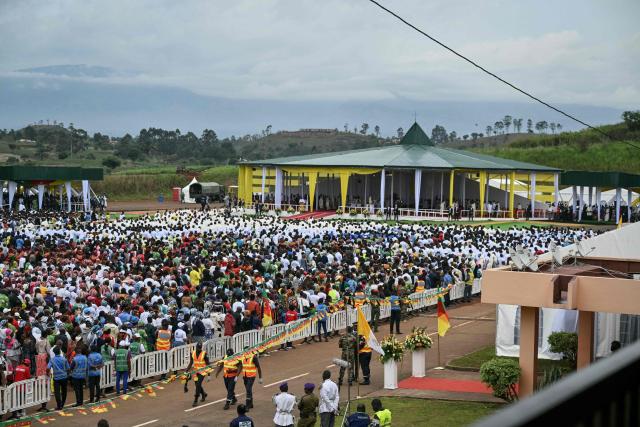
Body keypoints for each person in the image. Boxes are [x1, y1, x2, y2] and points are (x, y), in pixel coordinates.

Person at [186, 341, 209, 407]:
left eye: (200, 348)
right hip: (196, 372)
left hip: (203, 371)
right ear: (196, 347)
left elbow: (208, 364)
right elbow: (191, 363)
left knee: (198, 384)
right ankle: (204, 394)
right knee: (197, 385)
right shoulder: (192, 353)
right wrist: (186, 370)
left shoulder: (204, 353)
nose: (199, 349)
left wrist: (209, 375)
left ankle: (196, 400)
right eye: (198, 348)